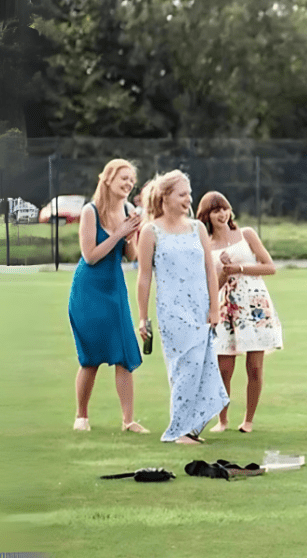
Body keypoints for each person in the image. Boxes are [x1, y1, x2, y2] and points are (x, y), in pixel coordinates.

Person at [136, 170, 229, 445]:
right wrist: (143, 318)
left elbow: (210, 271)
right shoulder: (150, 231)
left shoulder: (197, 228)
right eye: (182, 194)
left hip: (201, 309)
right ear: (165, 197)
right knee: (185, 368)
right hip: (172, 312)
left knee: (203, 368)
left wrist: (214, 308)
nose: (189, 199)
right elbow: (144, 277)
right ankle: (180, 430)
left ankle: (191, 429)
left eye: (189, 194)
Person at [69, 159, 148, 433]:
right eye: (123, 178)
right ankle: (81, 416)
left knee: (124, 352)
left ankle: (128, 421)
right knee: (91, 356)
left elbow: (131, 256)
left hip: (115, 289)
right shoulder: (90, 211)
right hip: (89, 290)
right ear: (108, 179)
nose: (128, 183)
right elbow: (90, 256)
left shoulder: (127, 211)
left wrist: (132, 234)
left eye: (131, 179)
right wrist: (119, 233)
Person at [195, 191, 283, 434]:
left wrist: (240, 268)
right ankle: (222, 420)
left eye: (224, 208)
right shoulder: (206, 244)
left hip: (254, 306)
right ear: (207, 216)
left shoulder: (246, 234)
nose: (222, 214)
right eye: (216, 211)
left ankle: (248, 420)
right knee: (224, 369)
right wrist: (225, 271)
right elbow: (212, 285)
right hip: (226, 309)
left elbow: (270, 267)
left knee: (255, 367)